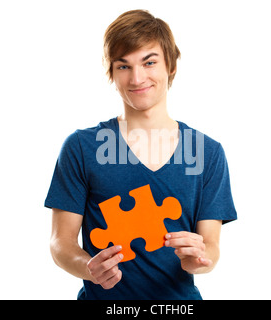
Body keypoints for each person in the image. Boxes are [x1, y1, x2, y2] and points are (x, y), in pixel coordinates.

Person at [45, 9, 237, 300]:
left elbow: (211, 245)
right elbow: (61, 243)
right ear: (111, 72)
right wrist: (89, 268)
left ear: (170, 65)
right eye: (123, 66)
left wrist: (197, 258)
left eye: (149, 62)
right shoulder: (81, 148)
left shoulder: (207, 153)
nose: (137, 78)